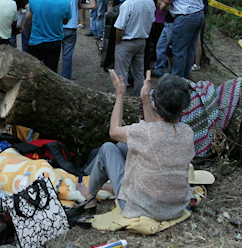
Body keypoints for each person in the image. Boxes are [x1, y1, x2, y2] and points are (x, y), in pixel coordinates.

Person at [77, 70, 194, 221]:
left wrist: (120, 94)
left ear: (156, 104)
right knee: (122, 146)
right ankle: (105, 184)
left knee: (108, 148)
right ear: (183, 106)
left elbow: (113, 131)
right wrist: (145, 99)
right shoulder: (187, 132)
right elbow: (156, 131)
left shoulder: (145, 133)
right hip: (175, 208)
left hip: (141, 208)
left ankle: (89, 194)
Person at [159, 0, 205, 79]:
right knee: (190, 49)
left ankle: (177, 80)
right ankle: (185, 78)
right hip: (199, 15)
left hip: (185, 17)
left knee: (179, 50)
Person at [114, 0, 156, 95]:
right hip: (142, 40)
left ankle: (119, 97)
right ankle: (139, 97)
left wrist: (118, 41)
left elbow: (120, 27)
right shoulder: (149, 2)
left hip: (127, 41)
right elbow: (151, 20)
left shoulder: (127, 4)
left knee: (121, 73)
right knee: (139, 72)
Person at [22, 0, 70, 72]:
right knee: (51, 72)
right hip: (54, 42)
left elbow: (30, 14)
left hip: (36, 42)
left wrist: (22, 24)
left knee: (33, 73)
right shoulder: (65, 3)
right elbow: (65, 21)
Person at [58, 0, 93, 79]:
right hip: (71, 25)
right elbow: (93, 5)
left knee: (54, 54)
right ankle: (65, 79)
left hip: (56, 24)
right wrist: (80, 5)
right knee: (67, 56)